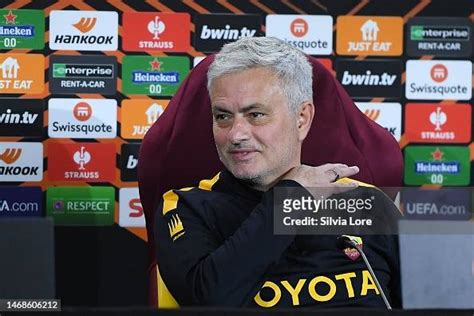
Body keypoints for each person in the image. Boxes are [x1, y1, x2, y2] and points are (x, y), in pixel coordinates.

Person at [154, 36, 401, 308]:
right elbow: (207, 300)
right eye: (223, 116)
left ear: (302, 118)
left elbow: (430, 303)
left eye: (256, 114)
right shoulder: (188, 207)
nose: (236, 134)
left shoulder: (368, 203)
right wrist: (290, 199)